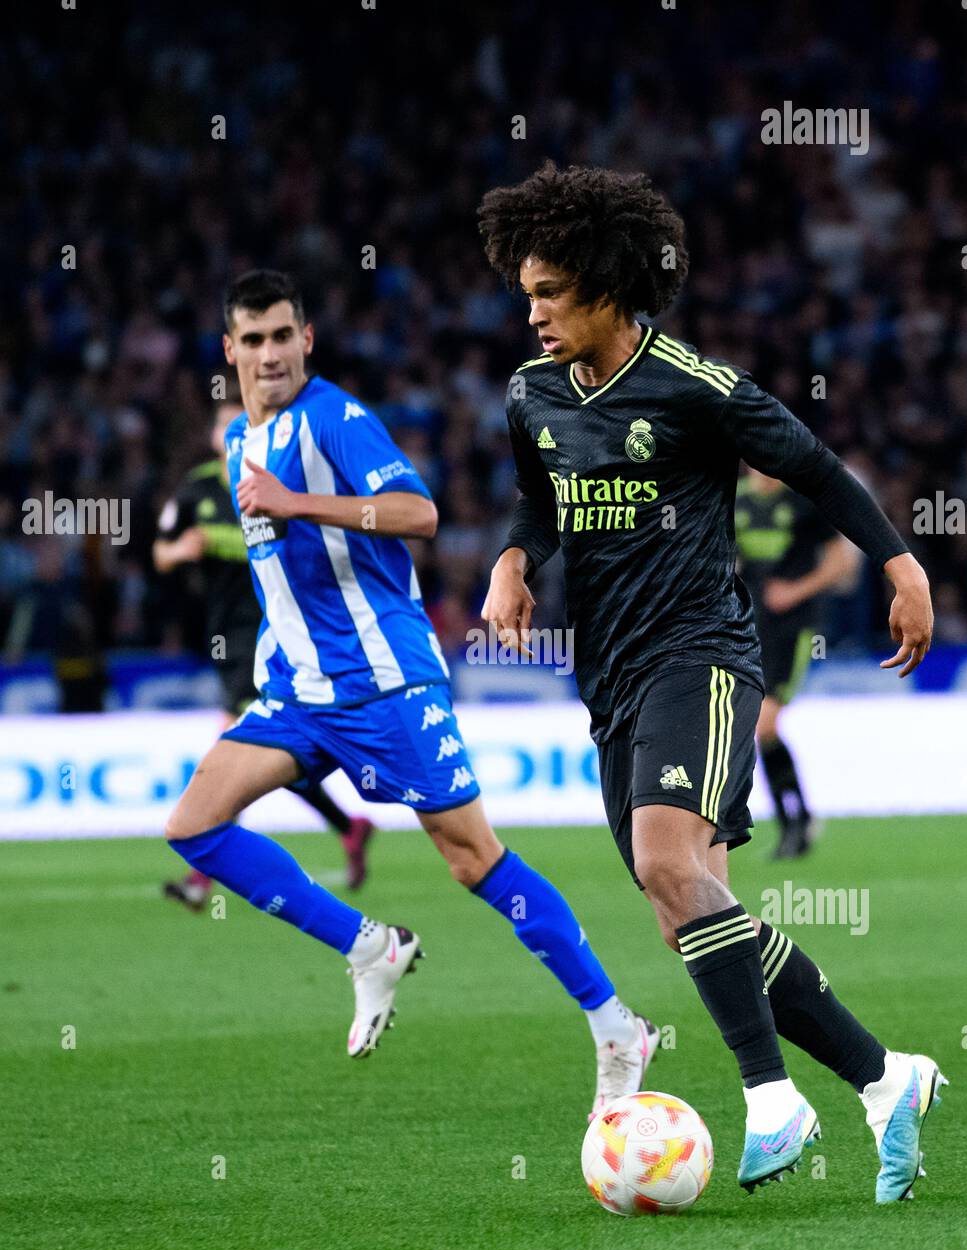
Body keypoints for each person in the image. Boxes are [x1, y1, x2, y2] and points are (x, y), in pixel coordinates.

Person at [478, 162, 946, 1201]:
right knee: (684, 902)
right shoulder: (530, 394)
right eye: (525, 293)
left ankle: (771, 1098)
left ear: (604, 283)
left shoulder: (696, 386)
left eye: (549, 290)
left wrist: (901, 565)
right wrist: (513, 562)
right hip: (608, 679)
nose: (534, 311)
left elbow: (820, 466)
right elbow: (533, 498)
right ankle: (885, 1079)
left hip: (703, 656)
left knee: (663, 859)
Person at [164, 268, 657, 1116]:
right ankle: (367, 945)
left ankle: (616, 1025)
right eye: (254, 340)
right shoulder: (242, 440)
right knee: (194, 826)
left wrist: (298, 504)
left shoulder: (335, 419)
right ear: (230, 350)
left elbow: (417, 513)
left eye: (284, 335)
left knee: (473, 860)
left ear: (306, 339)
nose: (271, 353)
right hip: (301, 688)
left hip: (385, 682)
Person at [154, 400, 375, 904]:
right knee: (270, 750)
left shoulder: (280, 482)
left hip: (273, 629)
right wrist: (179, 550)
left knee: (235, 742)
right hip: (224, 635)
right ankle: (348, 825)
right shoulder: (198, 487)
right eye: (222, 422)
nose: (230, 431)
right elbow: (160, 552)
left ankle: (203, 870)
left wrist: (212, 540)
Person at [733, 467, 860, 857]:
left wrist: (796, 590)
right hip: (745, 624)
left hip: (795, 628)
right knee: (759, 727)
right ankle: (798, 822)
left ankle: (796, 822)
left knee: (764, 721)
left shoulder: (801, 500)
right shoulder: (732, 497)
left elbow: (843, 564)